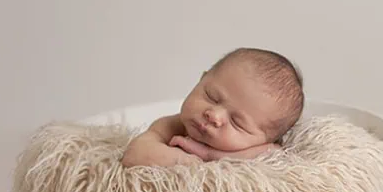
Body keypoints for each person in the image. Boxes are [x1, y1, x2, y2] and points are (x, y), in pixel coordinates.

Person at [121, 47, 304, 168]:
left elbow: (273, 154)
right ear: (201, 80)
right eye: (212, 97)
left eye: (236, 122)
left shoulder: (261, 151)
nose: (213, 115)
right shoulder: (172, 127)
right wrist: (187, 161)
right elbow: (136, 154)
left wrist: (210, 155)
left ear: (264, 140)